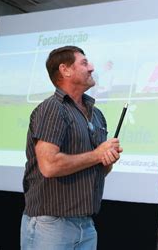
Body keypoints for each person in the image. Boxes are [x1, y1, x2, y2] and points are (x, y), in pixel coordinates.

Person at [20, 46, 123, 250]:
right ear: (65, 70)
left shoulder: (97, 114)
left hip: (86, 225)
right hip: (51, 226)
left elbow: (99, 168)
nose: (92, 67)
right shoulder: (53, 108)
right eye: (84, 63)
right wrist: (97, 154)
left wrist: (107, 159)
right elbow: (49, 166)